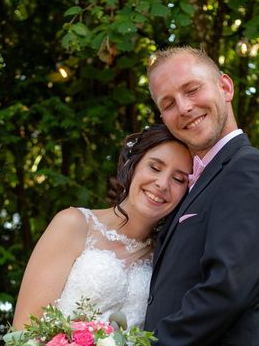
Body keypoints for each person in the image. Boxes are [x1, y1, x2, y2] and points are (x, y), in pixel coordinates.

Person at [144, 46, 259, 345]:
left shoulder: (251, 170)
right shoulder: (191, 186)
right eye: (169, 103)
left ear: (225, 87)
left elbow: (226, 290)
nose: (184, 107)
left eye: (192, 89)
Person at [12, 124, 192, 330]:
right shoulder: (73, 224)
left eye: (179, 179)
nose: (162, 184)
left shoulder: (167, 257)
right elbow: (25, 329)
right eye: (155, 167)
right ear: (132, 165)